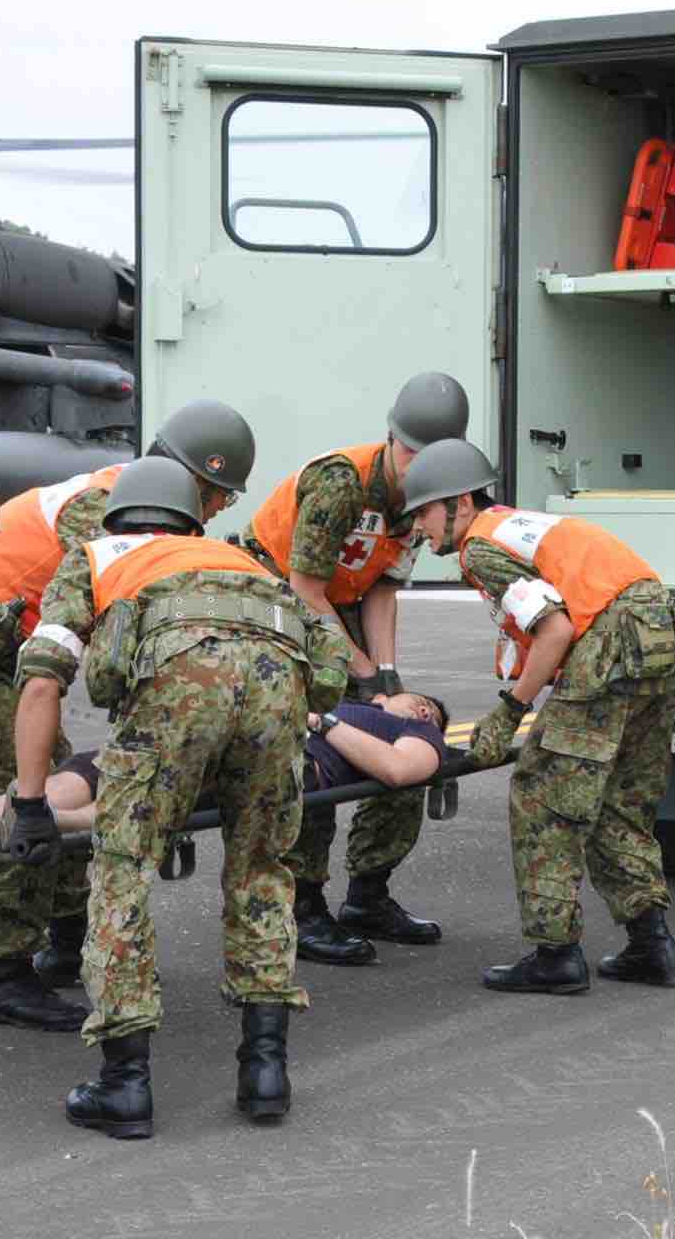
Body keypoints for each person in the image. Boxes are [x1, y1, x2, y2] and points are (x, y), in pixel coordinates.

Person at [10, 457, 348, 1139]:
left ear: (121, 514)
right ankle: (264, 1073)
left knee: (122, 875)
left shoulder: (97, 556)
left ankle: (125, 1084)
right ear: (193, 518)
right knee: (260, 873)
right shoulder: (240, 561)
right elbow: (332, 668)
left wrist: (28, 803)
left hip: (173, 702)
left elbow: (44, 679)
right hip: (276, 702)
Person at [0, 401, 255, 1035]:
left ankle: (63, 942)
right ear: (197, 478)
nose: (221, 509)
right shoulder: (112, 508)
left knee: (57, 779)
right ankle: (4, 976)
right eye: (221, 494)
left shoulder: (130, 495)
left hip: (9, 645)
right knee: (16, 799)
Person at [399, 439, 675, 995]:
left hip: (610, 641)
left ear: (459, 503)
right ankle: (651, 943)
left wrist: (510, 712)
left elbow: (553, 629)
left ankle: (555, 954)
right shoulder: (521, 525)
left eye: (423, 512)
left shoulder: (481, 547)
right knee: (617, 802)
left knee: (543, 794)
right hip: (657, 638)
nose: (418, 528)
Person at [239, 371, 468, 965]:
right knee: (314, 744)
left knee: (402, 726)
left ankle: (369, 891)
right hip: (274, 605)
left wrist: (387, 677)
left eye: (431, 456)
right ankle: (305, 906)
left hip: (336, 608)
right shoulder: (341, 484)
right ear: (392, 439)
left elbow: (382, 590)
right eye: (412, 451)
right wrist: (362, 673)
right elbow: (306, 588)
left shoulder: (421, 500)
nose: (419, 464)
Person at [0, 694, 451, 846]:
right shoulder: (367, 711)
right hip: (224, 734)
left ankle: (41, 820)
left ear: (421, 709)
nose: (385, 699)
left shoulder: (415, 726)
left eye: (398, 698)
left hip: (272, 764)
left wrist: (320, 722)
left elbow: (404, 772)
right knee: (105, 763)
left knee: (158, 786)